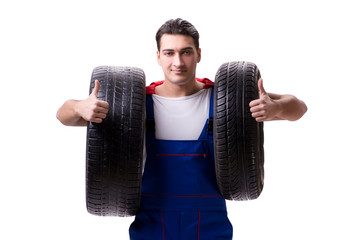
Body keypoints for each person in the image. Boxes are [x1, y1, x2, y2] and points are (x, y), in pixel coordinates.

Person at [57, 18, 307, 240]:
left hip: (209, 224)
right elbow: (64, 116)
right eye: (169, 53)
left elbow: (298, 107)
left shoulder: (224, 99)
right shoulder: (136, 104)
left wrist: (275, 109)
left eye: (186, 52)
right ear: (158, 57)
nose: (178, 62)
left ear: (198, 54)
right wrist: (80, 108)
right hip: (151, 223)